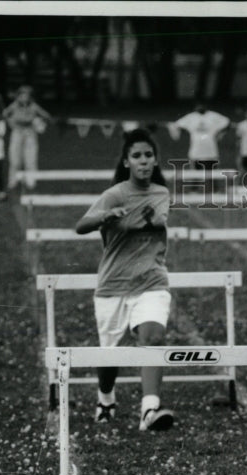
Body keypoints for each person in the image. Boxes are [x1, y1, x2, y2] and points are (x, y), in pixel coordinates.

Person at [74, 128, 175, 432]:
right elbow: (81, 225)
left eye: (148, 155)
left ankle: (149, 410)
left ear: (155, 160)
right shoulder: (114, 194)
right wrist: (106, 217)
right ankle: (106, 398)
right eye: (137, 156)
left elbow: (157, 220)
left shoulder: (161, 193)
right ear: (127, 161)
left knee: (153, 338)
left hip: (151, 281)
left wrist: (142, 219)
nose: (144, 161)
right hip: (113, 285)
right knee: (109, 355)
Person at [2, 85, 52, 192]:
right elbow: (4, 114)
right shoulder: (14, 106)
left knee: (31, 157)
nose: (24, 97)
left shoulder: (33, 106)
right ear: (18, 96)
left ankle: (31, 181)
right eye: (22, 95)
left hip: (30, 133)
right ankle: (13, 181)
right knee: (14, 158)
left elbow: (46, 115)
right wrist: (11, 123)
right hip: (17, 132)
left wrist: (38, 122)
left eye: (27, 95)